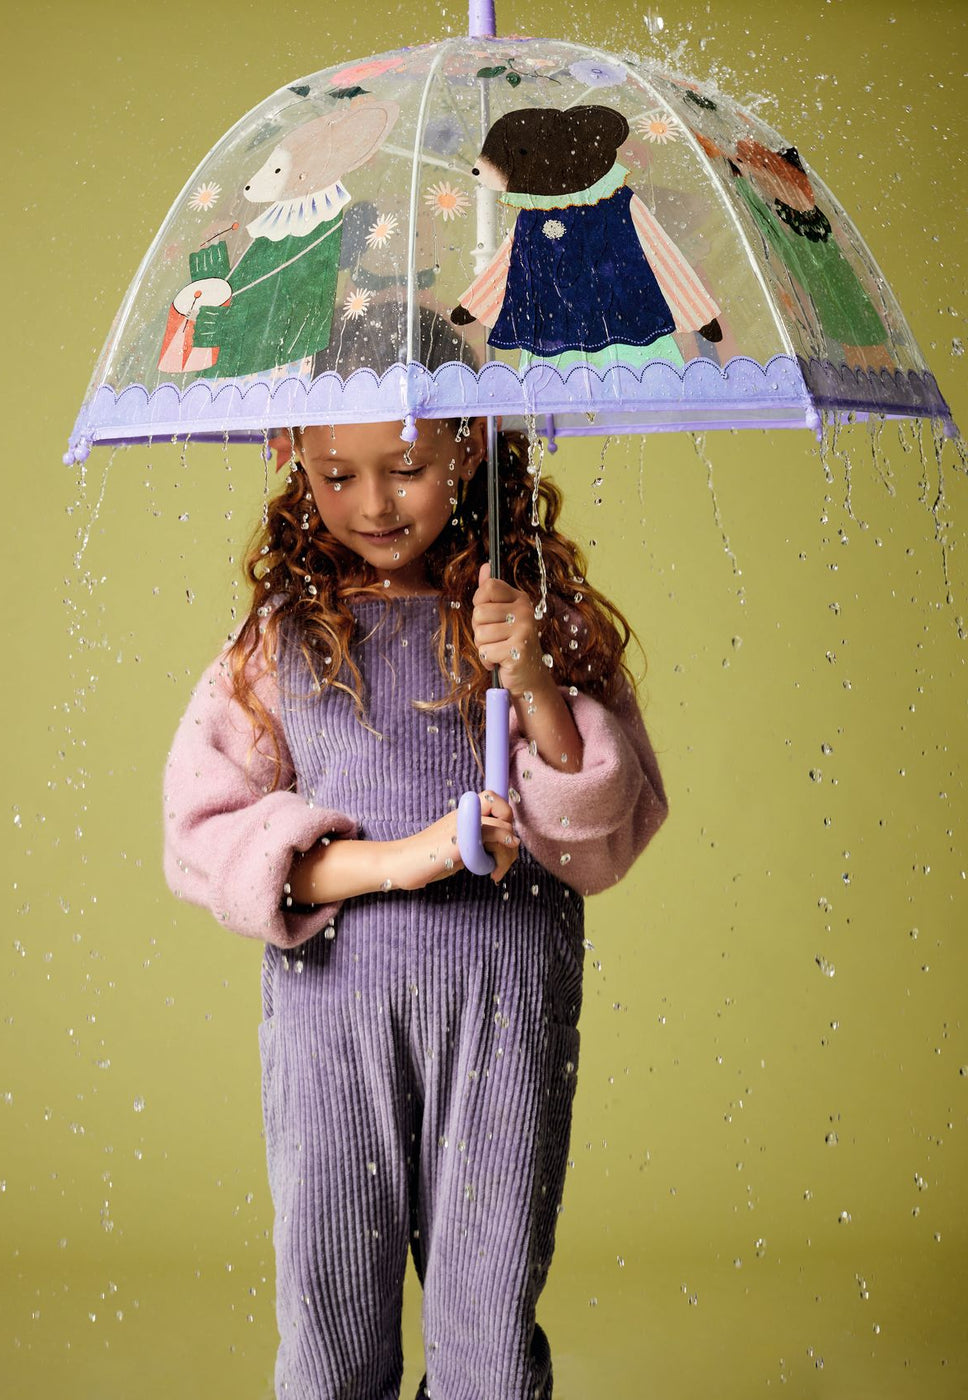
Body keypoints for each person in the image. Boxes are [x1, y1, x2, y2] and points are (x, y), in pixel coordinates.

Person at [162, 409, 668, 1400]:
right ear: (295, 462)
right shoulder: (280, 637)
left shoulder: (528, 617)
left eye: (404, 468)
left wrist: (525, 674)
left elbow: (602, 829)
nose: (373, 504)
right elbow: (214, 839)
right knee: (333, 1309)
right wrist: (409, 855)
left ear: (468, 450)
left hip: (502, 1002)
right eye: (337, 474)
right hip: (333, 1008)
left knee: (487, 1318)